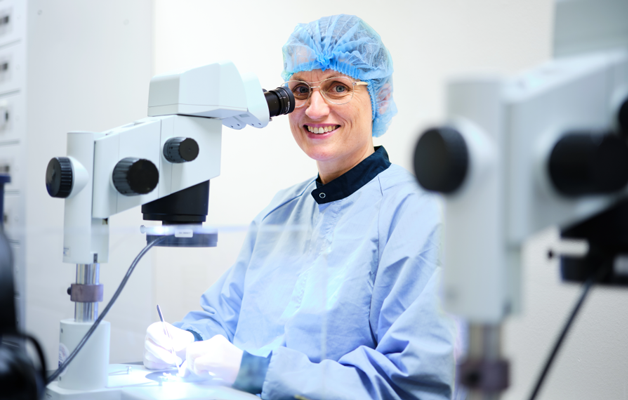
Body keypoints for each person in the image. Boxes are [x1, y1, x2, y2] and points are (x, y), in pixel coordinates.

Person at [144, 14, 456, 399]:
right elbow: (223, 316)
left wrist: (255, 372)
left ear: (381, 99)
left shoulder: (416, 213)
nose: (314, 110)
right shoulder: (281, 212)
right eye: (301, 90)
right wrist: (181, 339)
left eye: (338, 87)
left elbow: (411, 384)